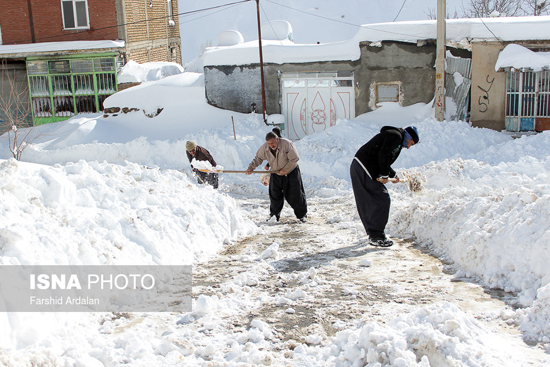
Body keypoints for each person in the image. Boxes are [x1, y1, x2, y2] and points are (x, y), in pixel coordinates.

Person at [350, 126, 419, 247]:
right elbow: (383, 154)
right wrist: (386, 174)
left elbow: (383, 157)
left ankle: (375, 234)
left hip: (361, 166)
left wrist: (392, 175)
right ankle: (376, 235)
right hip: (364, 167)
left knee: (373, 199)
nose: (408, 147)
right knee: (382, 198)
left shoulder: (395, 137)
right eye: (410, 143)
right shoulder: (396, 136)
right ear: (409, 137)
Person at [246, 131, 307, 222]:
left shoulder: (287, 144)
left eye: (272, 143)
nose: (271, 145)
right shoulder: (265, 147)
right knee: (275, 195)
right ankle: (274, 216)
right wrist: (251, 167)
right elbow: (258, 158)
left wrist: (286, 169)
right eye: (269, 143)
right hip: (275, 172)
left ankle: (302, 215)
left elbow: (295, 159)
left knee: (295, 195)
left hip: (290, 172)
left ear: (277, 139)